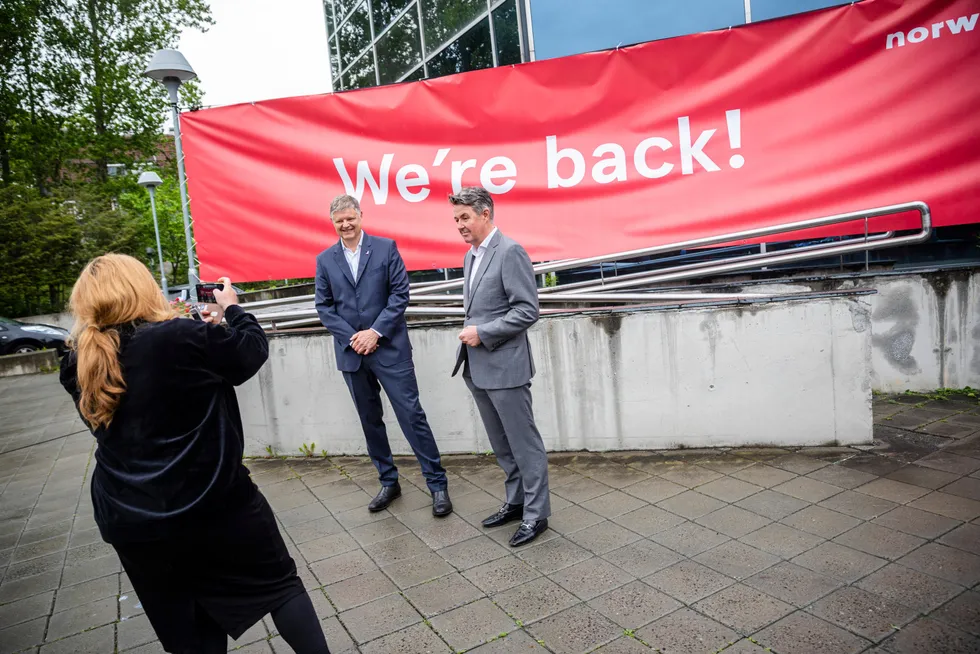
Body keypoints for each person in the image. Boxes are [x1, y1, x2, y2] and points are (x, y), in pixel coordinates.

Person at [58, 254, 329, 654]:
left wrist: (206, 341)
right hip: (213, 503)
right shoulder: (179, 337)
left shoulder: (76, 362)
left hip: (132, 519)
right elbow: (249, 352)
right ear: (141, 288)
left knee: (190, 629)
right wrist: (233, 308)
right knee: (279, 587)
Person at [315, 194, 452, 516]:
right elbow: (324, 307)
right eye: (339, 221)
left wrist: (374, 332)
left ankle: (437, 485)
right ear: (332, 223)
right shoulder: (325, 259)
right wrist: (354, 338)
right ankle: (389, 482)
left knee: (411, 415)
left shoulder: (385, 248)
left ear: (361, 216)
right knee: (370, 421)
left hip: (389, 348)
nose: (346, 224)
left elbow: (399, 294)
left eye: (351, 218)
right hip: (353, 354)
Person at [449, 187, 551, 547]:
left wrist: (484, 332)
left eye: (465, 217)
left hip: (506, 367)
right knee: (502, 445)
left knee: (524, 445)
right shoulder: (471, 256)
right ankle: (517, 501)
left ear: (486, 213)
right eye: (456, 219)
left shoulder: (510, 252)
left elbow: (527, 310)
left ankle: (537, 515)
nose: (460, 225)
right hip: (478, 368)